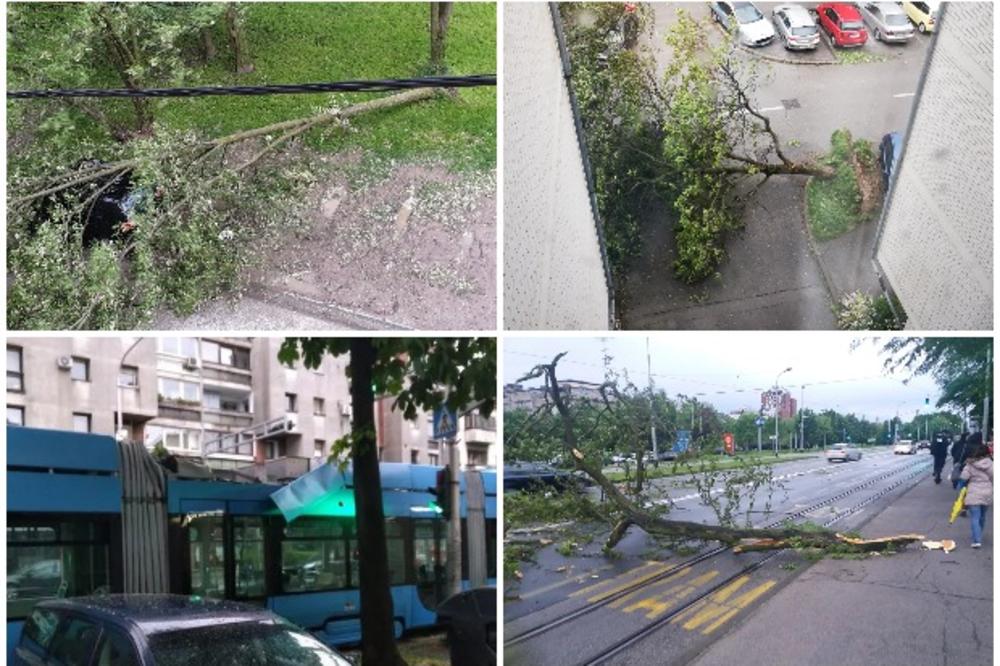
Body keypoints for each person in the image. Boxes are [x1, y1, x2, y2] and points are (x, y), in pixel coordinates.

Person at [959, 443, 993, 548]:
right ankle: (979, 534)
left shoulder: (970, 464)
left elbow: (963, 477)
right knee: (982, 516)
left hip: (974, 492)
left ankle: (976, 540)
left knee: (975, 517)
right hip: (987, 492)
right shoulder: (991, 464)